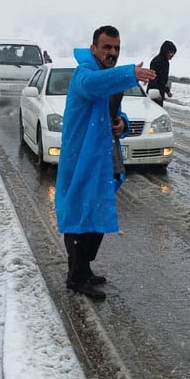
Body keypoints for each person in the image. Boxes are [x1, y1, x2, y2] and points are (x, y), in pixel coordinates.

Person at [55, 25, 156, 299]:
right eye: (107, 47)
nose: (112, 53)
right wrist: (128, 74)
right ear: (94, 49)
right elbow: (92, 87)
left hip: (103, 156)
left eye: (116, 48)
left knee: (96, 212)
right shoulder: (85, 74)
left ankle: (85, 268)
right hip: (81, 157)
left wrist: (121, 123)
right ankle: (75, 276)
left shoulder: (108, 78)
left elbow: (113, 112)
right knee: (80, 215)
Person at [146, 40, 177, 105]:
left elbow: (163, 80)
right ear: (165, 51)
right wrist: (156, 94)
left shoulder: (166, 63)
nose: (172, 55)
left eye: (173, 53)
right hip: (153, 94)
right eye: (171, 53)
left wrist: (167, 91)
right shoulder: (156, 61)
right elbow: (152, 78)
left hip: (160, 94)